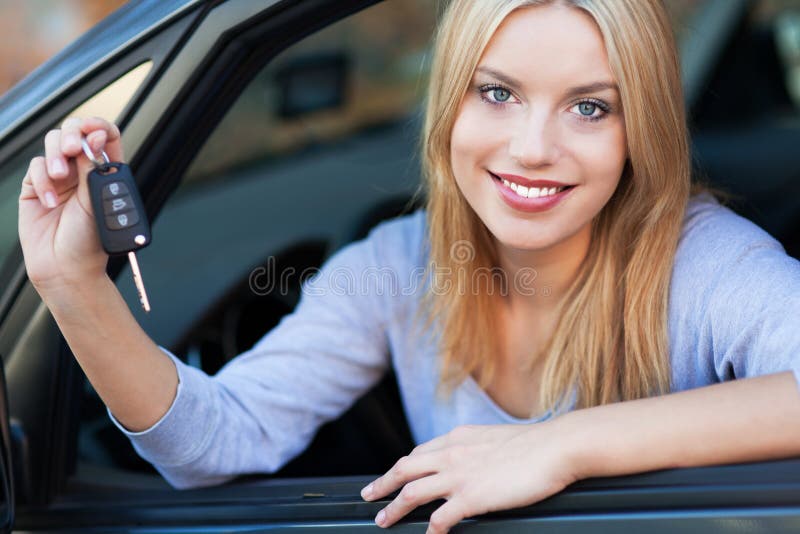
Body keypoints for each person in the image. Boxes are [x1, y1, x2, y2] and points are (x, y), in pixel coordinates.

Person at [17, 0, 800, 532]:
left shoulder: (701, 260)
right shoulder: (400, 264)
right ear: (449, 104)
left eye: (591, 107)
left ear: (643, 131)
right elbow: (219, 442)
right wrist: (72, 284)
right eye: (497, 94)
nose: (532, 147)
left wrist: (565, 444)